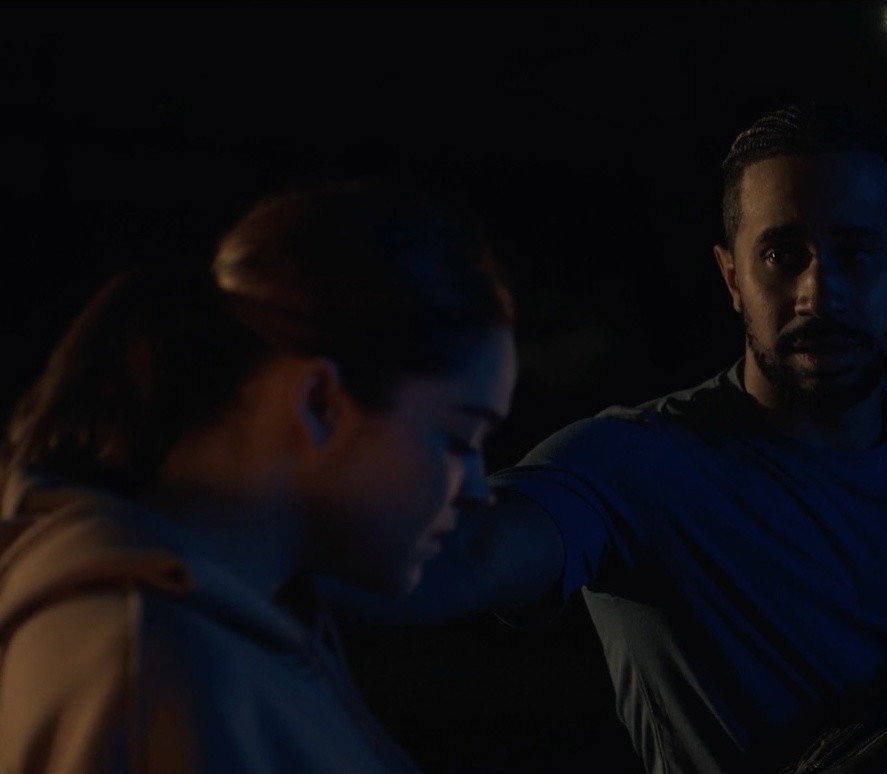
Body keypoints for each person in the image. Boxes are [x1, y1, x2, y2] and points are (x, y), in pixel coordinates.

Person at [391, 104, 887, 773]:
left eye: (857, 252)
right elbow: (467, 554)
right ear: (731, 276)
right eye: (782, 254)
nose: (819, 293)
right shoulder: (639, 466)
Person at [0, 184, 516, 773]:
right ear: (319, 403)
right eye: (459, 439)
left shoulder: (254, 624)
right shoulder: (151, 673)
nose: (478, 490)